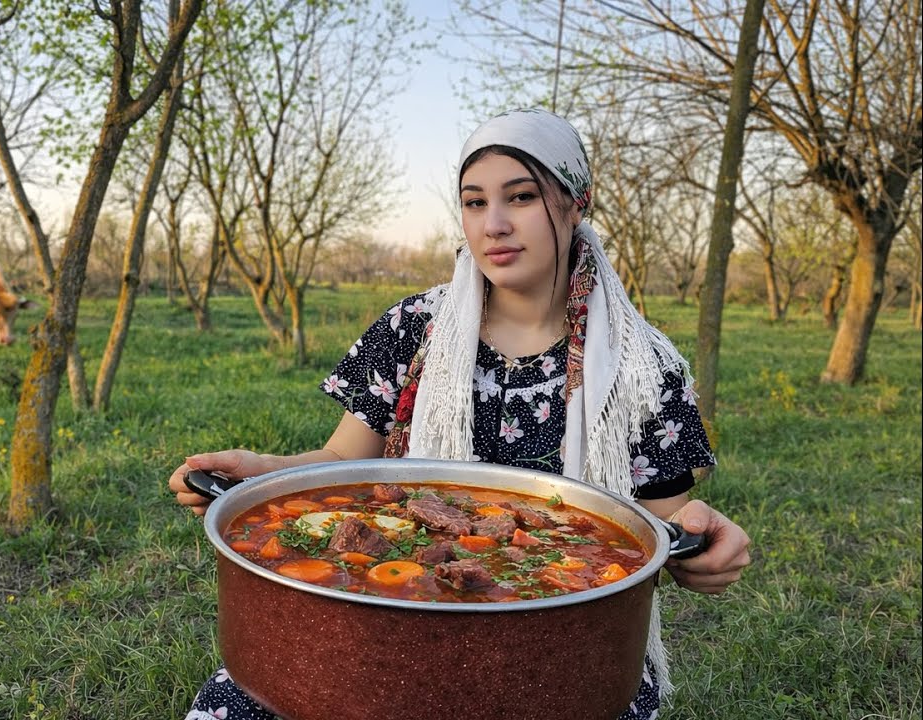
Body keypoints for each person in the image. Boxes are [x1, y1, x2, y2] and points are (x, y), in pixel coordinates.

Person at [168, 108, 752, 720]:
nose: (494, 224)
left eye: (521, 196)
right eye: (474, 203)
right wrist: (263, 471)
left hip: (563, 651)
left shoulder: (644, 367)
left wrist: (705, 543)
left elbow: (656, 529)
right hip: (385, 631)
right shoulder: (412, 329)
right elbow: (342, 462)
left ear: (577, 201)